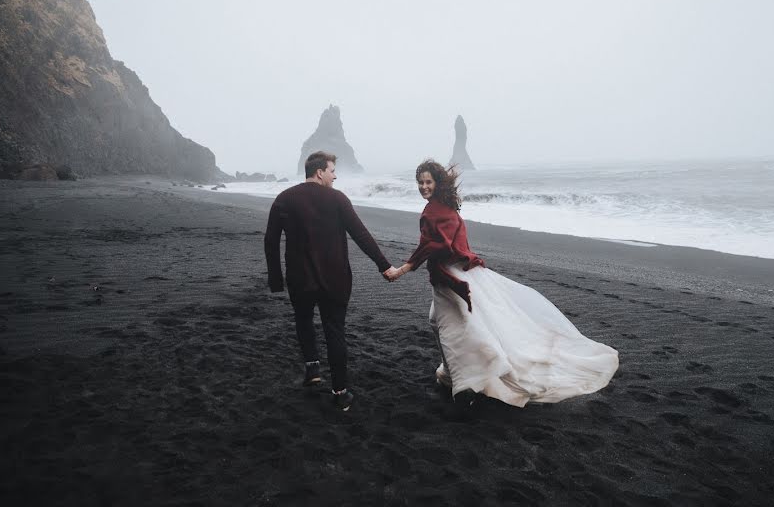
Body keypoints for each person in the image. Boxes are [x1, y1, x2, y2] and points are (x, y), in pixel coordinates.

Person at [386, 160, 618, 409]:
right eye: (420, 182)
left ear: (437, 183)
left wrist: (404, 268)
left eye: (428, 182)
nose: (423, 186)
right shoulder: (445, 206)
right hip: (458, 274)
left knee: (452, 329)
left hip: (450, 278)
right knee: (447, 322)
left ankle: (464, 390)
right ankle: (456, 375)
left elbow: (436, 245)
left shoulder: (433, 211)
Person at [265, 151, 400, 411]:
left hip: (299, 278)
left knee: (303, 320)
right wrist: (384, 266)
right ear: (319, 172)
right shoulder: (337, 199)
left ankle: (312, 368)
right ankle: (340, 392)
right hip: (335, 279)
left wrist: (276, 279)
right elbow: (361, 235)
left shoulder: (284, 199)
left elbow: (270, 241)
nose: (335, 175)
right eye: (333, 170)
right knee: (334, 330)